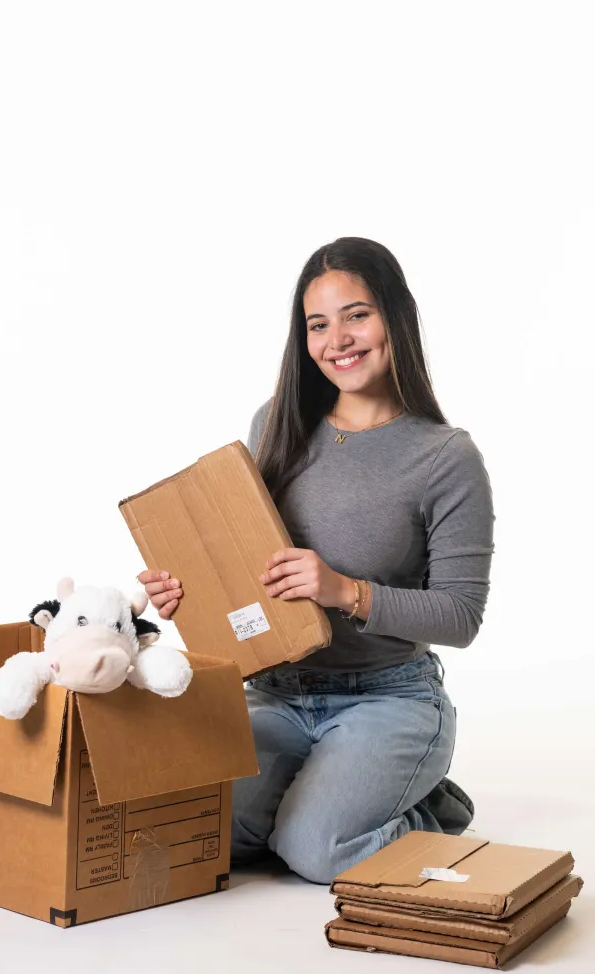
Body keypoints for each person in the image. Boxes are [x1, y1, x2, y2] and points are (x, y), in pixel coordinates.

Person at [137, 236, 495, 885]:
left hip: (388, 699)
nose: (339, 339)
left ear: (396, 316)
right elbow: (247, 563)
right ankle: (333, 794)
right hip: (278, 690)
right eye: (318, 324)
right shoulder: (274, 424)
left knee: (315, 850)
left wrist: (346, 591)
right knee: (200, 835)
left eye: (357, 314)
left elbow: (462, 615)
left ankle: (428, 809)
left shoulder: (446, 457)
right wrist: (187, 591)